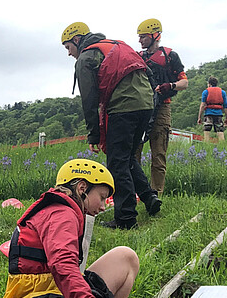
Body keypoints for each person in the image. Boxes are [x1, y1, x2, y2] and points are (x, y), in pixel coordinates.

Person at [0, 159, 159, 298]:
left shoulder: (59, 209)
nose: (104, 206)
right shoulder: (62, 214)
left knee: (126, 257)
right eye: (102, 197)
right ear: (82, 188)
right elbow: (63, 265)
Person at [61, 22, 161, 229]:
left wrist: (93, 135)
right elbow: (149, 75)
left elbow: (89, 100)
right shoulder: (117, 45)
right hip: (146, 105)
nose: (69, 53)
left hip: (123, 108)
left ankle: (125, 218)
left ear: (77, 40)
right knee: (127, 158)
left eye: (68, 47)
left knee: (116, 163)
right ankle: (149, 198)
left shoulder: (86, 57)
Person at [135, 18, 188, 196]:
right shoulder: (138, 57)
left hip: (162, 107)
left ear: (154, 35)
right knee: (134, 151)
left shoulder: (170, 56)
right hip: (141, 107)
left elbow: (184, 82)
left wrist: (170, 86)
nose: (140, 41)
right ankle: (136, 192)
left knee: (158, 154)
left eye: (143, 37)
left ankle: (156, 193)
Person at [197, 76, 227, 142]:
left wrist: (199, 117)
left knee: (206, 133)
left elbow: (202, 105)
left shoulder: (205, 92)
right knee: (220, 132)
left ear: (209, 84)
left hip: (208, 114)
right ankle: (223, 148)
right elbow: (225, 106)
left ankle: (206, 148)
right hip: (219, 114)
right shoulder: (222, 92)